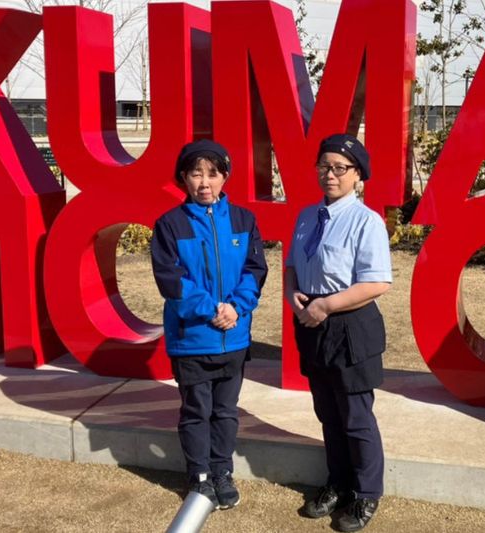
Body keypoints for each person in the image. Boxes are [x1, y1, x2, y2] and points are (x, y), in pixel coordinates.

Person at [151, 139, 268, 510]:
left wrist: (236, 308)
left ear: (225, 176)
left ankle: (222, 471)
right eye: (196, 173)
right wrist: (211, 310)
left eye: (213, 173)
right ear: (183, 178)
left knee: (226, 411)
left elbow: (255, 270)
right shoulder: (170, 225)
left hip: (234, 337)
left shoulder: (244, 220)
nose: (205, 182)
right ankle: (199, 475)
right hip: (192, 339)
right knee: (196, 411)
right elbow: (171, 280)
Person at [285, 133, 391, 532]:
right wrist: (293, 297)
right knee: (327, 412)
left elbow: (377, 282)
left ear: (358, 175)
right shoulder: (307, 216)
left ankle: (366, 493)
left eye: (340, 168)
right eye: (324, 167)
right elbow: (292, 265)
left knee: (356, 417)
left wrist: (327, 305)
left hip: (349, 326)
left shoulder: (366, 221)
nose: (330, 175)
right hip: (312, 323)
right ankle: (339, 482)